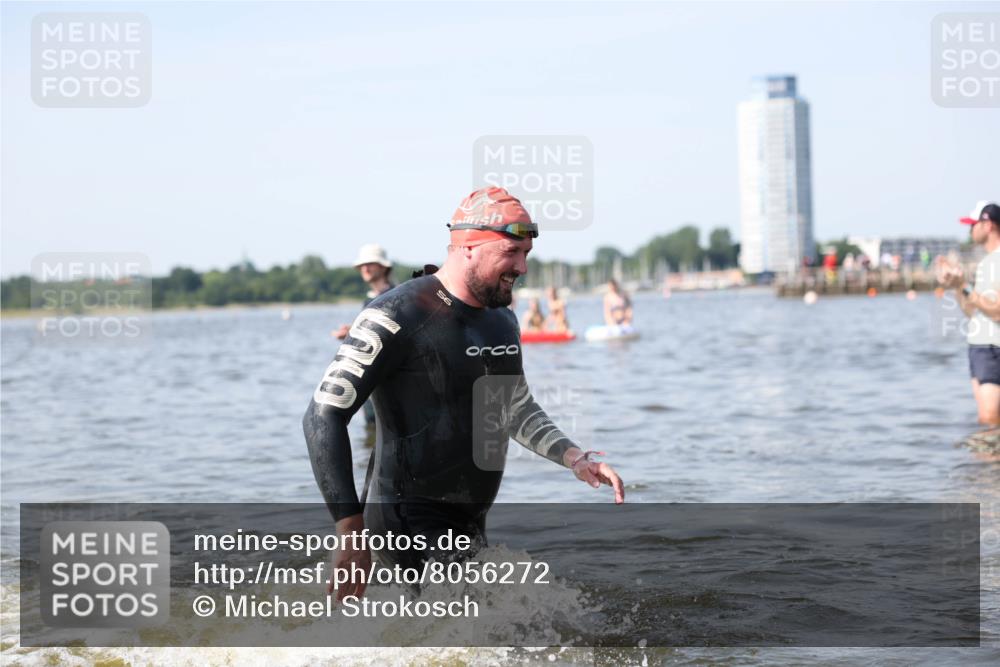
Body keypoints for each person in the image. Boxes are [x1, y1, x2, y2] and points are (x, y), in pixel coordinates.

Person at [303, 186, 625, 601]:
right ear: (469, 245)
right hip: (405, 514)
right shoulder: (395, 314)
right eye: (512, 252)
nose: (523, 267)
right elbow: (322, 417)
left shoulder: (501, 319)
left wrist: (573, 457)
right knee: (486, 628)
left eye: (527, 254)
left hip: (469, 517)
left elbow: (513, 407)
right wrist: (349, 529)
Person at [937, 201, 1000, 425]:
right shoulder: (986, 262)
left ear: (988, 224)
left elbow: (998, 313)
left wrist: (965, 286)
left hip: (993, 348)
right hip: (980, 347)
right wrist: (956, 285)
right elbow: (973, 312)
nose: (969, 230)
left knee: (990, 421)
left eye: (972, 225)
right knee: (985, 426)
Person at [332, 244, 396, 340]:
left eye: (370, 264)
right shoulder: (369, 300)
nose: (365, 269)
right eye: (362, 265)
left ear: (383, 267)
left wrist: (353, 333)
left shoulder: (395, 298)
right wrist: (352, 330)